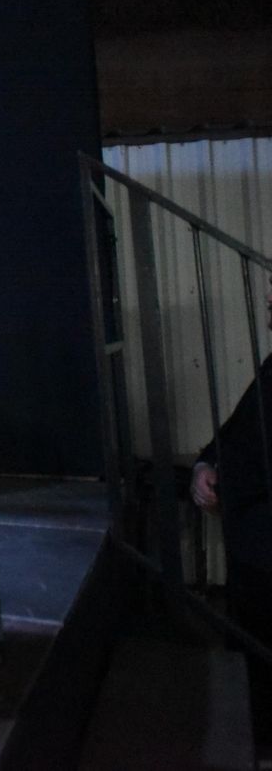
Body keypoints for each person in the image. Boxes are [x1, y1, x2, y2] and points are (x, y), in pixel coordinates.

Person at [191, 287, 272, 753]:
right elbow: (235, 434)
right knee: (250, 671)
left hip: (264, 554)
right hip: (254, 556)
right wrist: (205, 466)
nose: (266, 306)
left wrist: (225, 480)